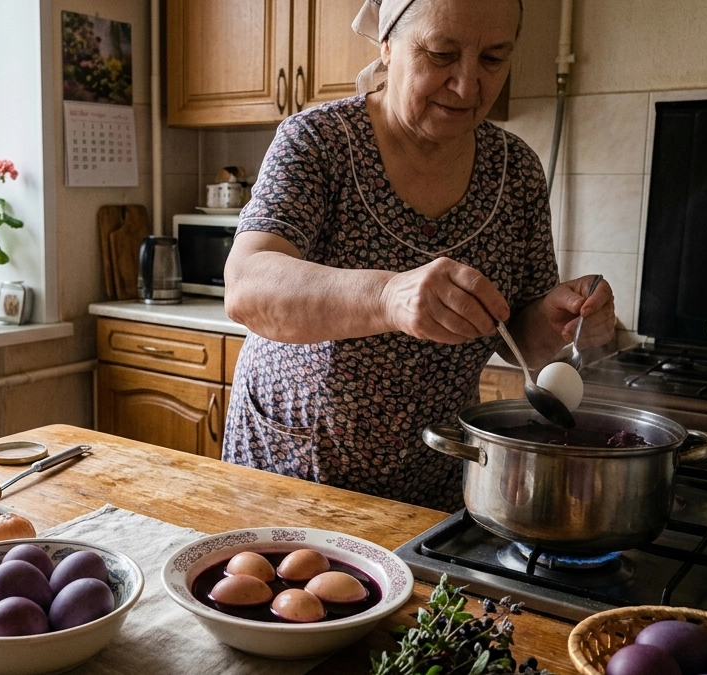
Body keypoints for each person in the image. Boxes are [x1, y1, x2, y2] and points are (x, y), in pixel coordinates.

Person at [221, 0, 617, 512]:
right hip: (293, 471)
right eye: (441, 53)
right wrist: (389, 296)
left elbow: (522, 340)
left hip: (436, 474)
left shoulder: (516, 170)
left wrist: (561, 321)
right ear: (387, 45)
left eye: (494, 59)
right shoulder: (317, 142)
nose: (467, 85)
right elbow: (246, 287)